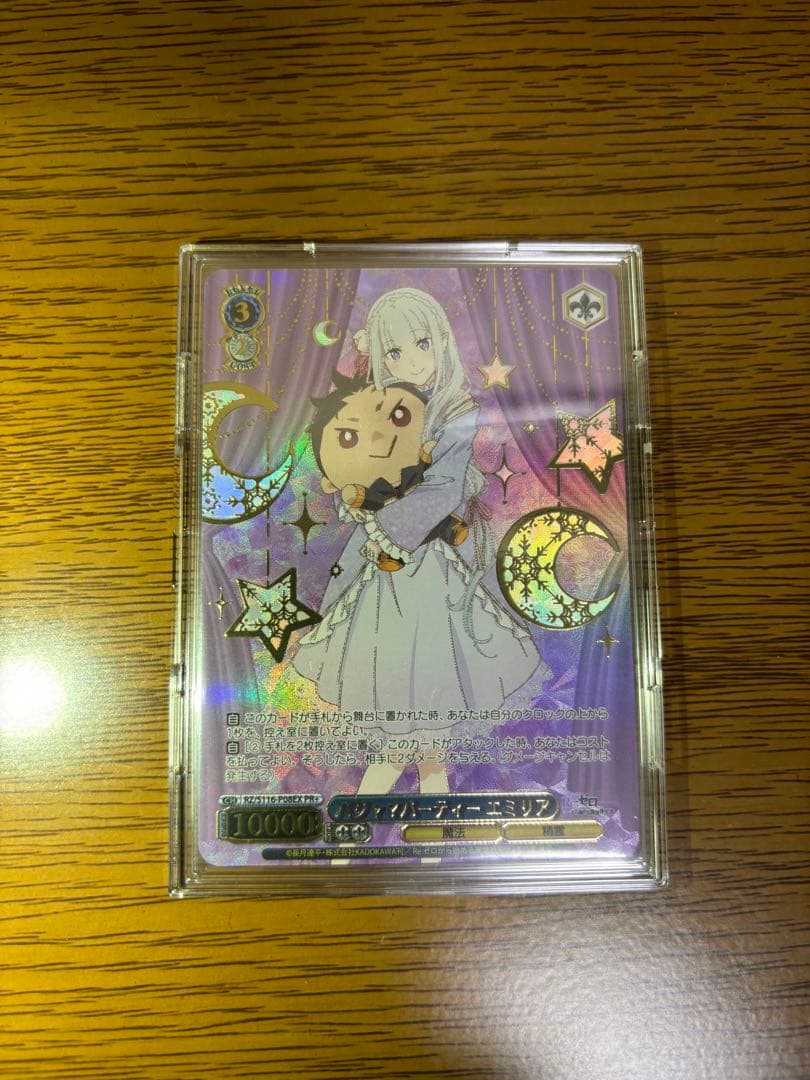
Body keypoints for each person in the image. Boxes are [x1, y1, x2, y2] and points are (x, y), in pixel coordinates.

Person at [293, 287, 542, 795]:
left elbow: (444, 487)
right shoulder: (382, 407)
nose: (411, 361)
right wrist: (362, 493)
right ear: (379, 360)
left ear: (443, 341)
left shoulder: (457, 412)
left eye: (422, 343)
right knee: (405, 721)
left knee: (427, 723)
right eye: (394, 351)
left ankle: (413, 815)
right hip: (389, 578)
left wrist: (386, 523)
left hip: (428, 569)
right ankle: (384, 815)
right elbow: (366, 464)